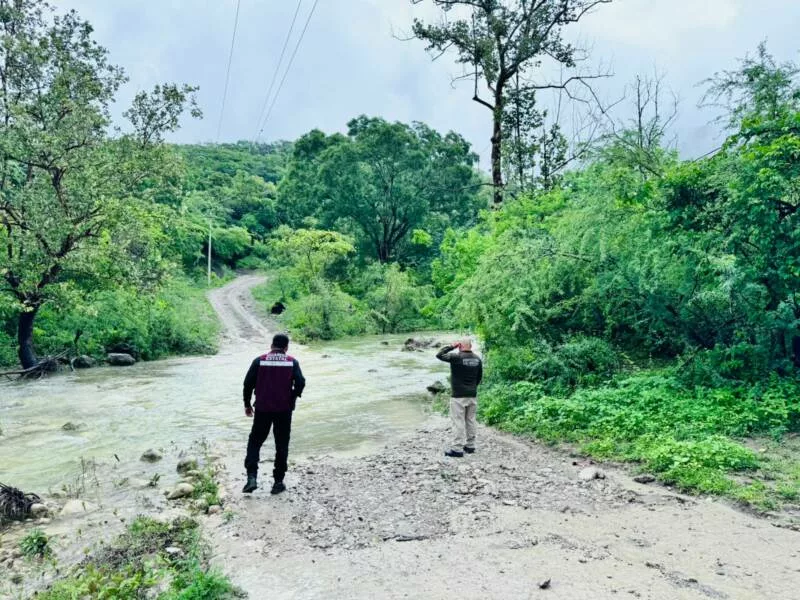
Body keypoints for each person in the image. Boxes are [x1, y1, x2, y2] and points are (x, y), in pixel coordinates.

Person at [242, 333, 306, 494]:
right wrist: (292, 396)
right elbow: (301, 382)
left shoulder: (259, 361)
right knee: (282, 444)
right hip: (284, 410)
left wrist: (247, 404)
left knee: (255, 442)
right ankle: (278, 482)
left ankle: (251, 477)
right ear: (286, 347)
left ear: (271, 346)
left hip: (262, 409)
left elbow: (247, 384)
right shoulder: (292, 362)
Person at [435, 339, 483, 458]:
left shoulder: (456, 357)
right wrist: (472, 388)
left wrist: (451, 346)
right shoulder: (477, 359)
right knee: (470, 420)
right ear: (471, 346)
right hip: (472, 395)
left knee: (458, 422)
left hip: (458, 396)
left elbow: (439, 355)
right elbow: (479, 377)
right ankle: (470, 446)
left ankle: (457, 449)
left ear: (459, 346)